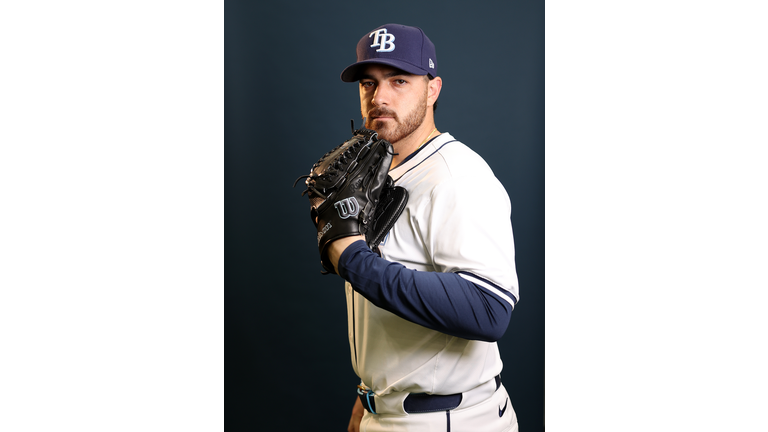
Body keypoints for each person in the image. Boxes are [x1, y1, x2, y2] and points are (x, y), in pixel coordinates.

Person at [326, 24, 520, 432]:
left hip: (448, 419)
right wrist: (367, 401)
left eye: (399, 80)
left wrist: (353, 259)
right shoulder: (378, 174)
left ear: (432, 89)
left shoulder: (456, 176)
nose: (379, 97)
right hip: (386, 410)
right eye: (368, 83)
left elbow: (489, 310)